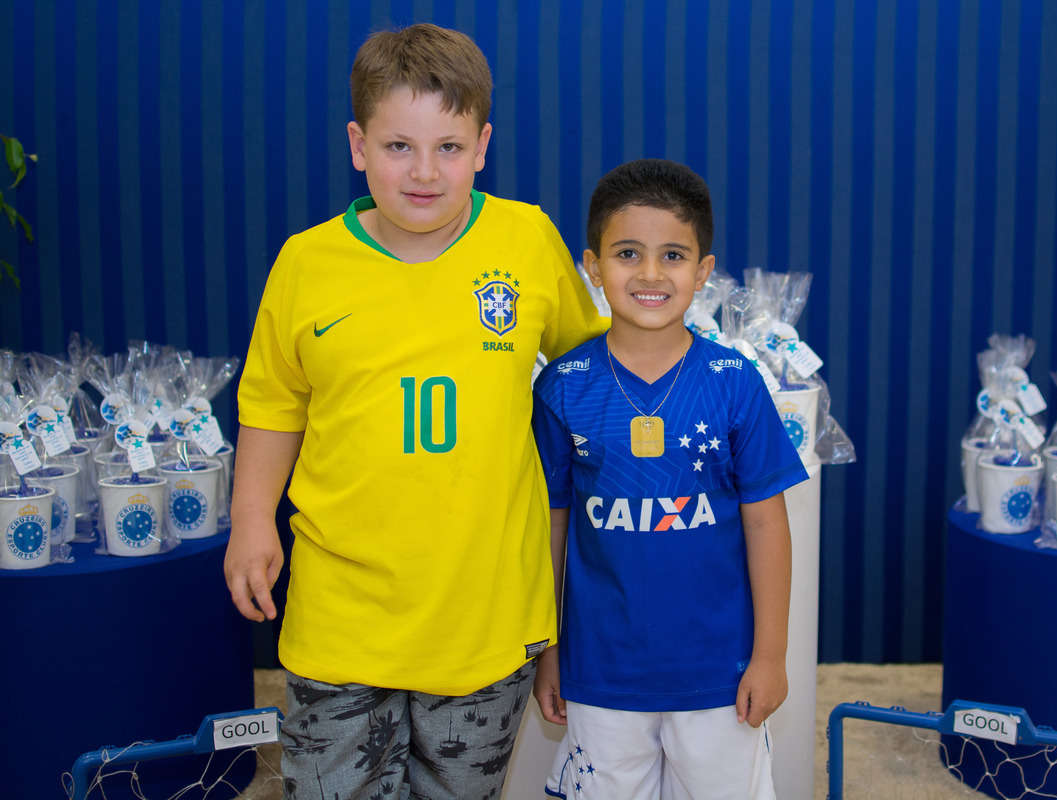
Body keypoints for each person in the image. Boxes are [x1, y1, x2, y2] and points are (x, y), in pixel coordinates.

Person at [224, 23, 606, 800]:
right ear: (358, 145)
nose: (425, 172)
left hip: (484, 613)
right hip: (342, 611)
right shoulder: (306, 263)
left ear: (483, 146)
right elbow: (273, 402)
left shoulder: (526, 240)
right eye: (399, 146)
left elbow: (592, 365)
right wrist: (252, 518)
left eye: (449, 147)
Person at [531, 159, 809, 799]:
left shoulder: (735, 383)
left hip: (720, 672)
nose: (651, 274)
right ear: (593, 266)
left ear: (703, 271)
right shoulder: (564, 387)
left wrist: (771, 656)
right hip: (601, 669)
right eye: (628, 253)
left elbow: (767, 524)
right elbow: (550, 528)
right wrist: (548, 651)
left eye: (674, 256)